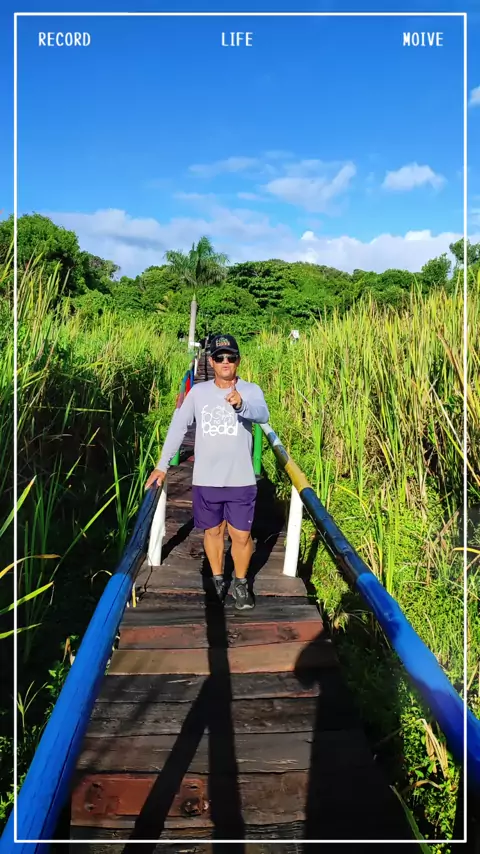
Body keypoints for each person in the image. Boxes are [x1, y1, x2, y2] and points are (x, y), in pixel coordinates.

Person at [145, 334, 269, 609]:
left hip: (240, 479)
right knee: (213, 532)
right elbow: (179, 426)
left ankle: (240, 582)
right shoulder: (198, 393)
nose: (225, 362)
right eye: (219, 357)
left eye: (231, 357)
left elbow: (263, 414)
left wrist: (241, 404)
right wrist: (162, 465)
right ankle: (217, 578)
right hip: (206, 478)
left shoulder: (250, 390)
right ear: (210, 362)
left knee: (241, 536)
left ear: (238, 360)